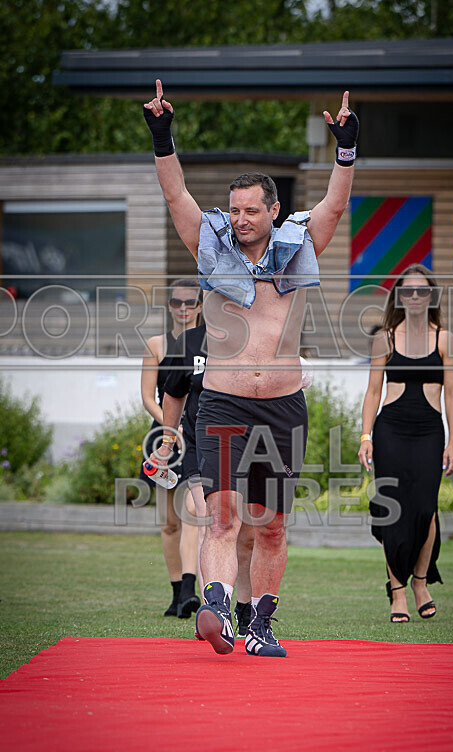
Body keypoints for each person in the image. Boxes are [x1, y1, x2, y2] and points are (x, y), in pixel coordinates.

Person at [144, 79, 358, 657]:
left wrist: (345, 151)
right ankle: (214, 603)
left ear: (274, 211)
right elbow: (176, 198)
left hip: (284, 405)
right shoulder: (210, 246)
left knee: (272, 525)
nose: (239, 218)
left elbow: (336, 204)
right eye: (234, 210)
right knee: (222, 517)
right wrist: (162, 136)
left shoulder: (301, 243)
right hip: (223, 401)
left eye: (250, 210)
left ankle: (260, 624)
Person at [358, 264, 453, 623]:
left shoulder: (445, 339)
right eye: (408, 291)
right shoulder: (384, 337)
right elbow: (373, 392)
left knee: (425, 509)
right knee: (391, 511)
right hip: (391, 432)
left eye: (422, 291)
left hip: (430, 433)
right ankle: (398, 592)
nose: (415, 296)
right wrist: (366, 436)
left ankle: (421, 581)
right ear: (399, 296)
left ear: (431, 296)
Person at [160, 321, 254, 637]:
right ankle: (214, 610)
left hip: (248, 443)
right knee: (211, 520)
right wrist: (167, 442)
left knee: (247, 533)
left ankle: (244, 607)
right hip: (203, 444)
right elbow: (172, 393)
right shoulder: (189, 342)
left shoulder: (254, 336)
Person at [140, 278, 202, 618]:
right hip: (164, 436)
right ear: (169, 306)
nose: (183, 308)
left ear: (200, 306)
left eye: (190, 303)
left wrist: (184, 426)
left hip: (196, 434)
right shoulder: (156, 345)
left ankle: (193, 592)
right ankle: (177, 593)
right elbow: (149, 396)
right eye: (177, 302)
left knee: (193, 515)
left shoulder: (208, 343)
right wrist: (170, 425)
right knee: (169, 522)